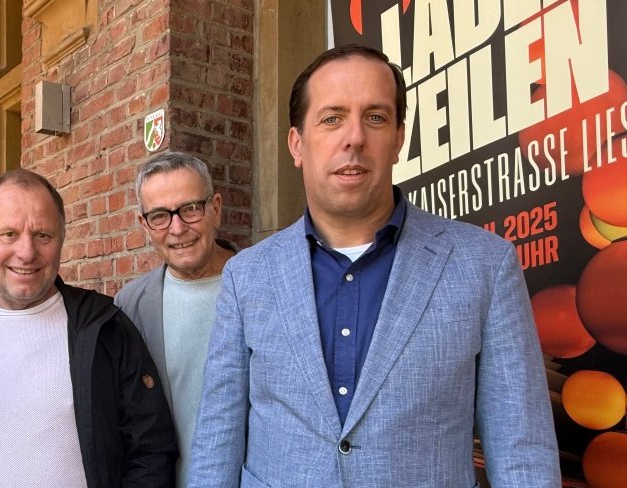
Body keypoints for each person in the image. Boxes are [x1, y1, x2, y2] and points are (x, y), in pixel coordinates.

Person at [188, 44, 560, 487]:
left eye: (376, 117)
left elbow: (521, 449)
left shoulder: (484, 265)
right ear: (296, 144)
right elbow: (217, 439)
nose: (355, 137)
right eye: (332, 118)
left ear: (399, 138)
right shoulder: (247, 275)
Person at [0, 169, 177, 487]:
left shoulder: (106, 327)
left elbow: (150, 450)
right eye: (9, 234)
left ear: (61, 240)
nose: (27, 252)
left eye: (43, 236)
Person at [113, 151, 238, 487]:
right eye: (159, 216)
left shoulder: (263, 285)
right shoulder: (130, 307)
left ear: (215, 208)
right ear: (144, 224)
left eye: (191, 208)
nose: (178, 228)